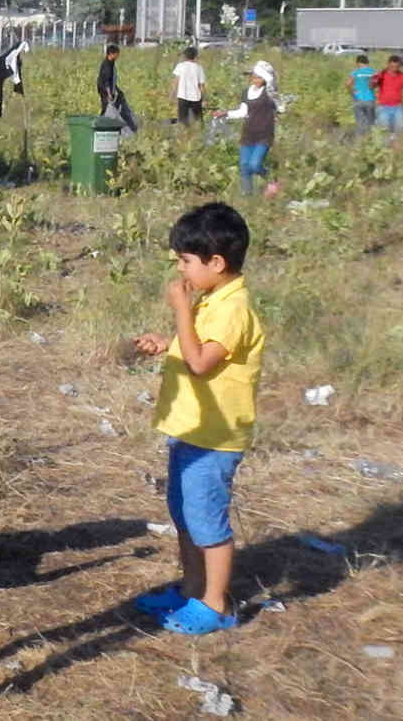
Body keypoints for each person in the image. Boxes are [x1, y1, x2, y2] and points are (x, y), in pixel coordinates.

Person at [130, 202, 265, 636]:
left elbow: (202, 362)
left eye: (186, 260)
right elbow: (199, 347)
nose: (180, 269)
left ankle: (216, 604)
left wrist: (180, 310)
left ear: (216, 262)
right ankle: (192, 589)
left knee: (206, 519)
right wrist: (168, 341)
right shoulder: (214, 300)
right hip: (191, 429)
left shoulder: (233, 308)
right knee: (185, 513)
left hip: (215, 438)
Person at [219, 61, 278, 196]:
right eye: (254, 77)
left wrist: (265, 73)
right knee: (244, 166)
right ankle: (247, 195)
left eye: (259, 77)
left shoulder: (269, 92)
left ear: (265, 78)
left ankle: (271, 179)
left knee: (254, 165)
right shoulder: (247, 92)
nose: (255, 80)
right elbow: (242, 112)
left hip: (264, 134)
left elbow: (272, 83)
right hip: (248, 133)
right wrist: (226, 113)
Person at [97, 44, 136, 133]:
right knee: (106, 108)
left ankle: (124, 126)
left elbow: (111, 80)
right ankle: (100, 127)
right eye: (117, 54)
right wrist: (109, 94)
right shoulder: (107, 65)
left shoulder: (111, 62)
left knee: (112, 107)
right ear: (111, 54)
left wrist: (117, 90)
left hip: (109, 89)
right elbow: (106, 82)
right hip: (104, 91)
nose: (118, 55)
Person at [372, 54, 403, 142]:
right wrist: (374, 79)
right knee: (384, 129)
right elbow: (372, 86)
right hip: (383, 107)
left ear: (399, 66)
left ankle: (395, 145)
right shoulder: (381, 74)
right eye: (392, 66)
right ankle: (384, 146)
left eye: (397, 67)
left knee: (400, 128)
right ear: (388, 64)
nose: (394, 68)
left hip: (398, 107)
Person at [170, 46, 206, 125]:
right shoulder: (199, 68)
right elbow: (201, 86)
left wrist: (172, 95)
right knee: (198, 120)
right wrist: (205, 99)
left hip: (183, 96)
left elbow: (175, 82)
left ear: (185, 55)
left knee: (183, 121)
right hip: (196, 97)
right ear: (195, 56)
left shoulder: (180, 66)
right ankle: (200, 131)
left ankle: (185, 131)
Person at [348, 54, 376, 136]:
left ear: (358, 62)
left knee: (360, 123)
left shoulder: (355, 72)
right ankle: (370, 139)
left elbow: (348, 84)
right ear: (367, 62)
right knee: (371, 123)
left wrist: (352, 93)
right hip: (370, 100)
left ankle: (360, 140)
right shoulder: (373, 72)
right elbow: (376, 84)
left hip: (358, 100)